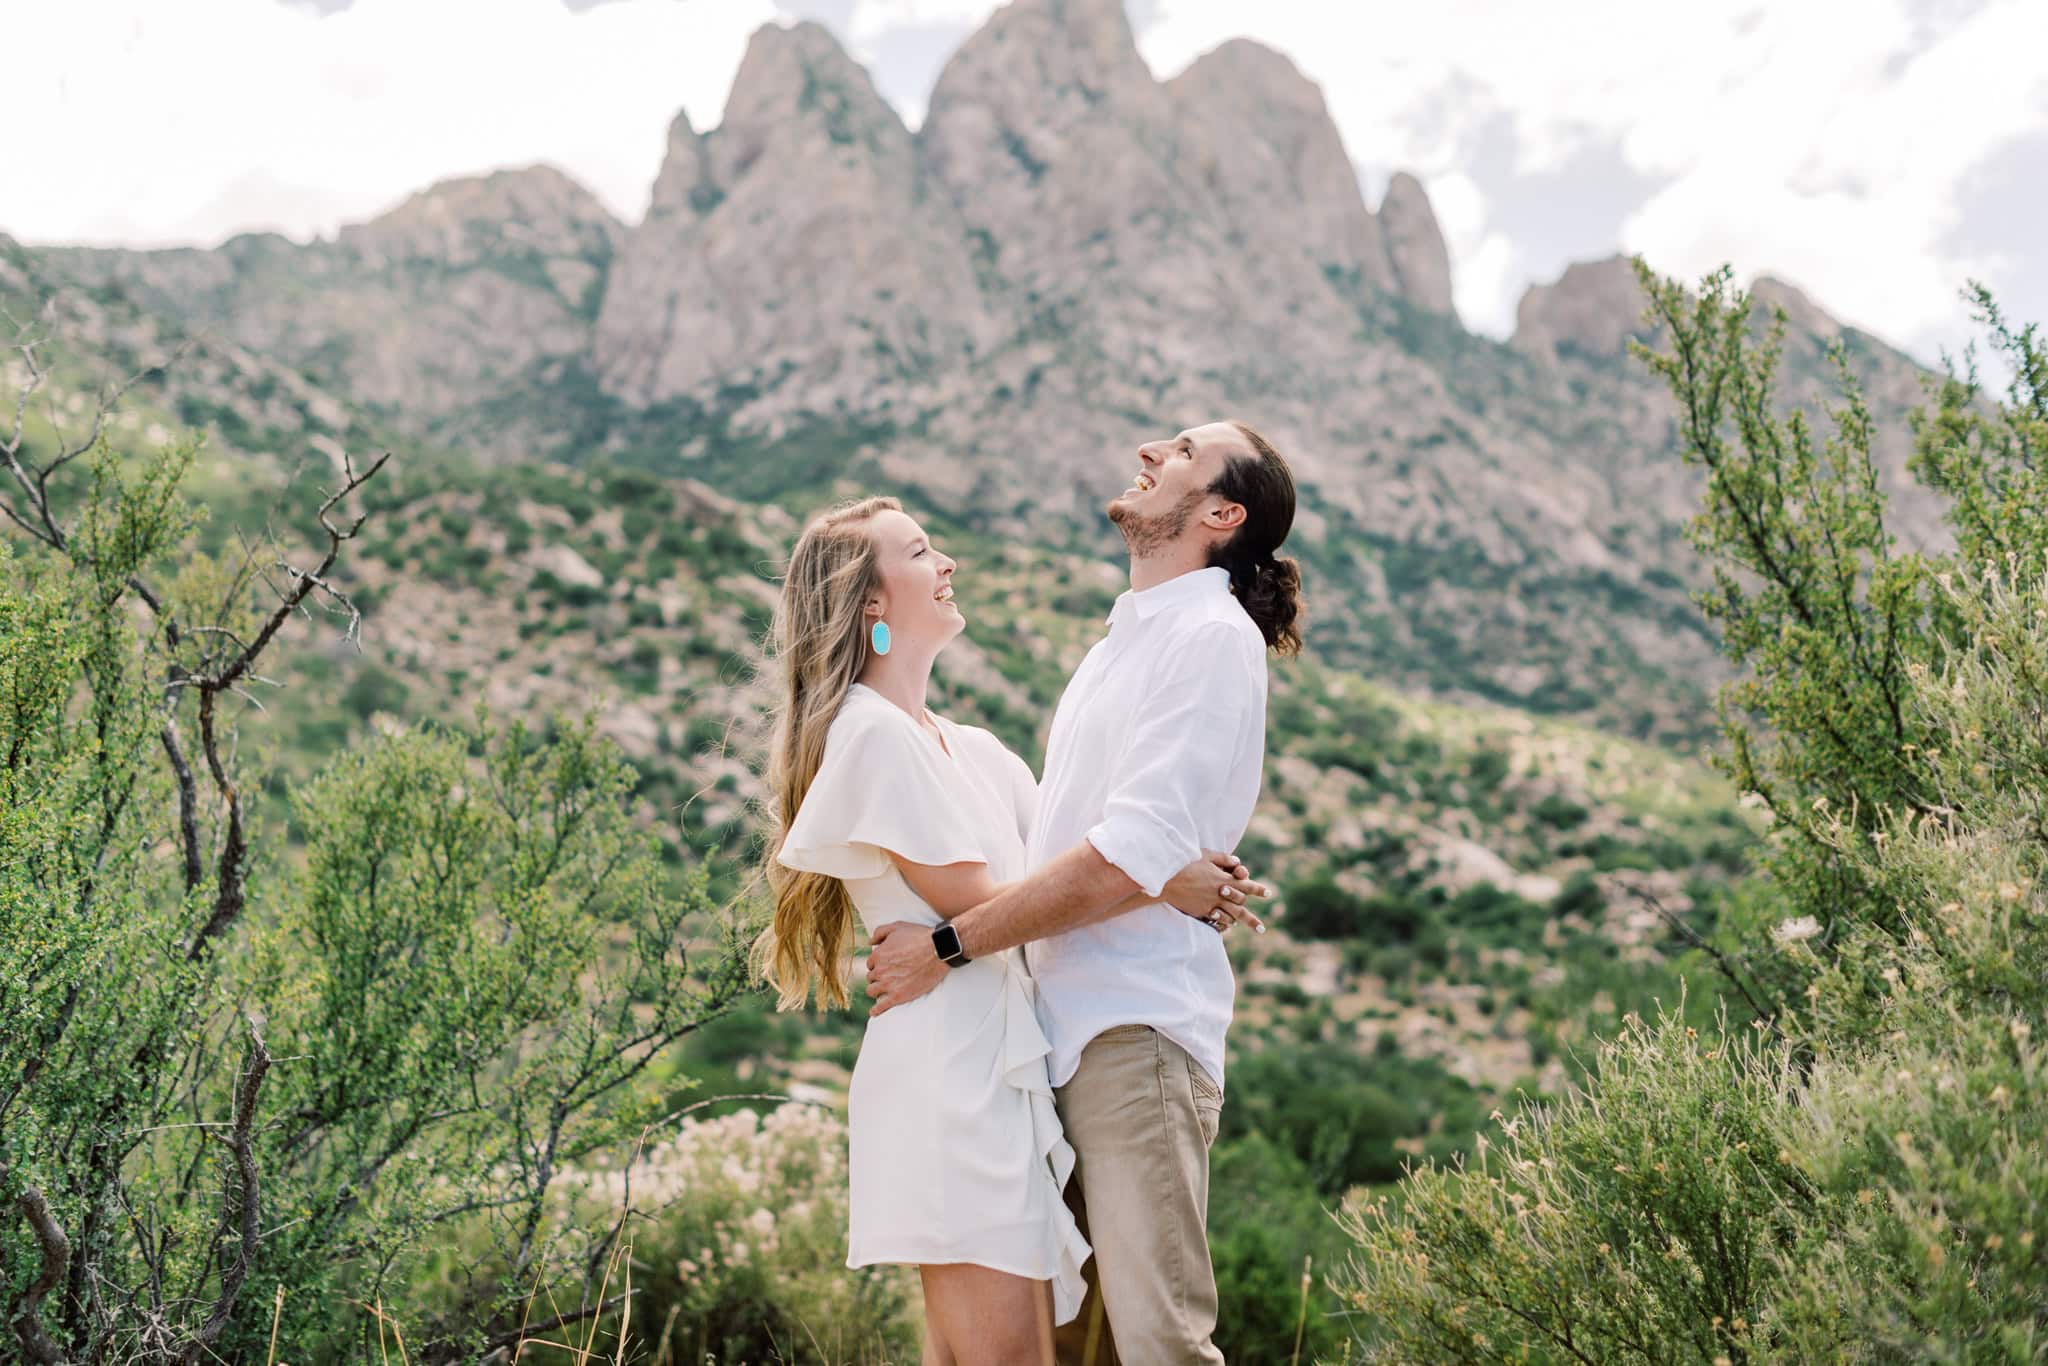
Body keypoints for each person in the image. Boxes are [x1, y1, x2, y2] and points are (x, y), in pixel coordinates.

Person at [755, 493, 1271, 1366]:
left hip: (1009, 1061)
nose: (946, 563)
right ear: (871, 601)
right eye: (920, 552)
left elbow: (1065, 874)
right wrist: (1163, 879)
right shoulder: (872, 737)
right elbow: (987, 901)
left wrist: (1143, 867)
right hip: (952, 1069)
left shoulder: (974, 748)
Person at [865, 420, 1303, 1364]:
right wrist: (1160, 872)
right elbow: (1093, 846)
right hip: (1049, 1036)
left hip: (1130, 1033)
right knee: (1070, 1349)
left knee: (1159, 1341)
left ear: (1222, 514)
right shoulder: (1117, 647)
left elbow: (1120, 852)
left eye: (1183, 452)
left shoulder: (1208, 637)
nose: (1151, 451)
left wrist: (946, 947)